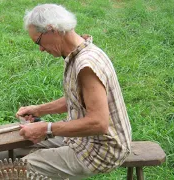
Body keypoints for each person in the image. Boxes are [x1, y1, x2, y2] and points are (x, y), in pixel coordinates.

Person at [16, 4, 132, 180]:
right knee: (21, 146)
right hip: (87, 140)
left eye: (38, 42)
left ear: (52, 30)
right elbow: (79, 98)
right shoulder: (82, 51)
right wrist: (39, 110)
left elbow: (99, 123)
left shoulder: (86, 65)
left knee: (19, 168)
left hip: (102, 150)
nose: (40, 49)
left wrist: (47, 128)